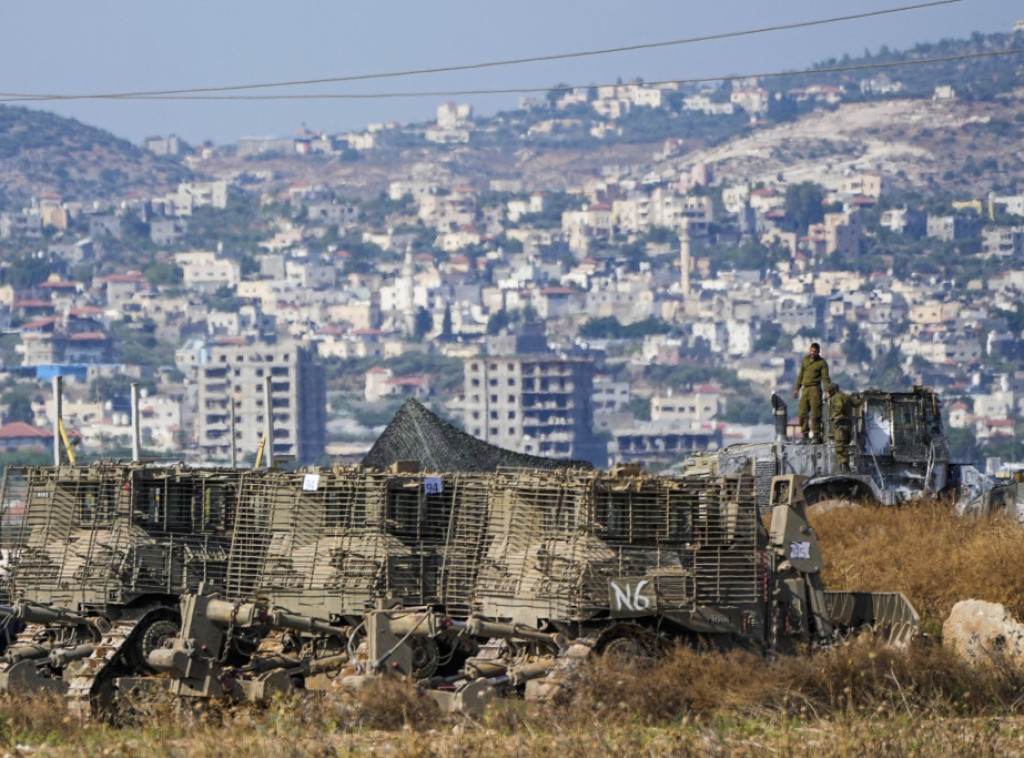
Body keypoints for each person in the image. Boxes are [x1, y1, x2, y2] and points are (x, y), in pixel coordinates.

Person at [792, 342, 830, 443]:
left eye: (815, 352)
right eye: (811, 351)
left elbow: (825, 378)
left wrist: (827, 391)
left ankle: (816, 434)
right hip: (805, 389)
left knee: (815, 413)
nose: (812, 353)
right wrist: (797, 388)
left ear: (818, 352)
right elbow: (801, 375)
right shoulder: (805, 360)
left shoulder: (822, 363)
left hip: (815, 388)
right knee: (802, 412)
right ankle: (805, 434)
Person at [826, 382, 855, 472]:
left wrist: (834, 416)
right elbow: (856, 403)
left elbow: (839, 406)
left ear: (834, 391)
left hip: (840, 426)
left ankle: (846, 468)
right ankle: (845, 467)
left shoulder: (836, 397)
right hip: (848, 426)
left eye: (830, 392)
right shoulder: (847, 396)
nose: (829, 394)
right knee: (845, 445)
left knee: (840, 446)